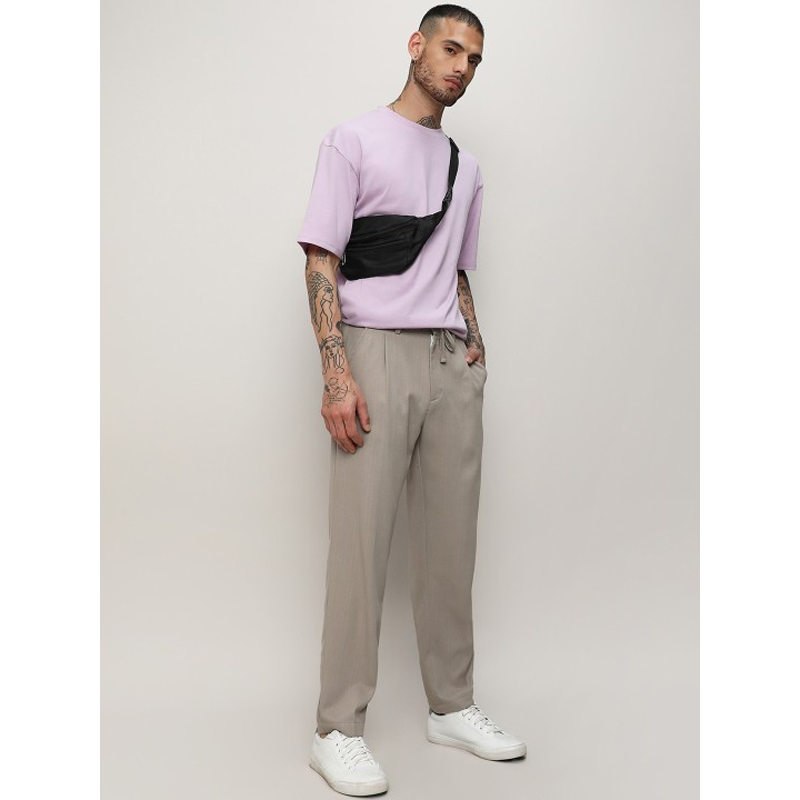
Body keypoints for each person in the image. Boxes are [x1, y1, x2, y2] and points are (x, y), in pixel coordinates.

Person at [297, 5, 526, 795]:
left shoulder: (466, 165)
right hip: (374, 353)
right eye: (451, 49)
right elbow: (321, 260)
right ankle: (337, 727)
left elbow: (453, 267)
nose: (461, 67)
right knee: (361, 548)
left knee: (451, 546)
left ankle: (451, 705)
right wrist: (337, 372)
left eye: (475, 59)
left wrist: (475, 344)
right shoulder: (353, 140)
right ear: (417, 45)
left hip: (448, 360)